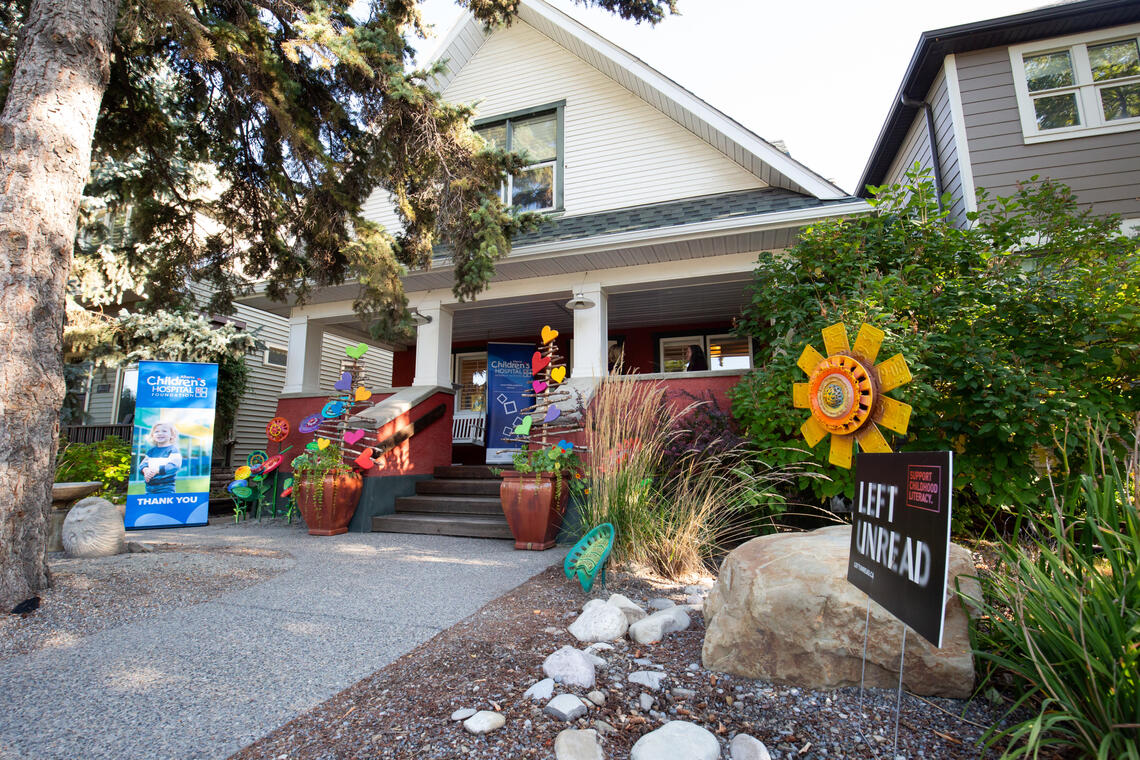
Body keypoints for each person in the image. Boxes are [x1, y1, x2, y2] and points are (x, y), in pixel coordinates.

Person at [140, 421, 183, 495]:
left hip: (165, 487)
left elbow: (174, 466)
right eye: (156, 431)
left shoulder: (173, 450)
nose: (160, 433)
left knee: (165, 506)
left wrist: (156, 470)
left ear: (172, 435)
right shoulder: (151, 451)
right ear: (153, 435)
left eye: (164, 431)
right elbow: (143, 464)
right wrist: (146, 470)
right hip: (149, 487)